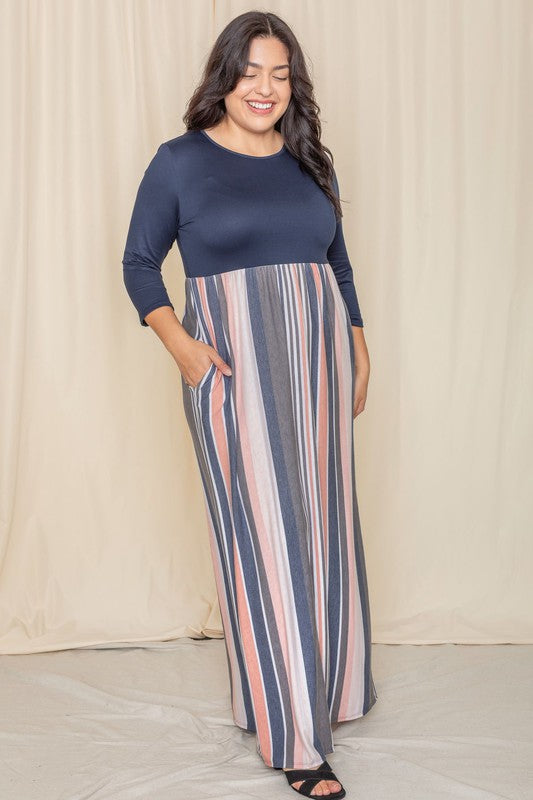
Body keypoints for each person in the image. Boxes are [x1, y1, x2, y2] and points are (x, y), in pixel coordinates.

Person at [122, 10, 377, 798]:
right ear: (223, 76)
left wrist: (359, 342)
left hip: (319, 366)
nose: (264, 88)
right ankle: (296, 739)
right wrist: (181, 346)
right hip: (232, 370)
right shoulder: (179, 163)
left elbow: (335, 262)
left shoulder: (309, 161)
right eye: (250, 72)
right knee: (263, 537)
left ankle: (326, 689)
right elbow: (137, 263)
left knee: (323, 526)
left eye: (280, 74)